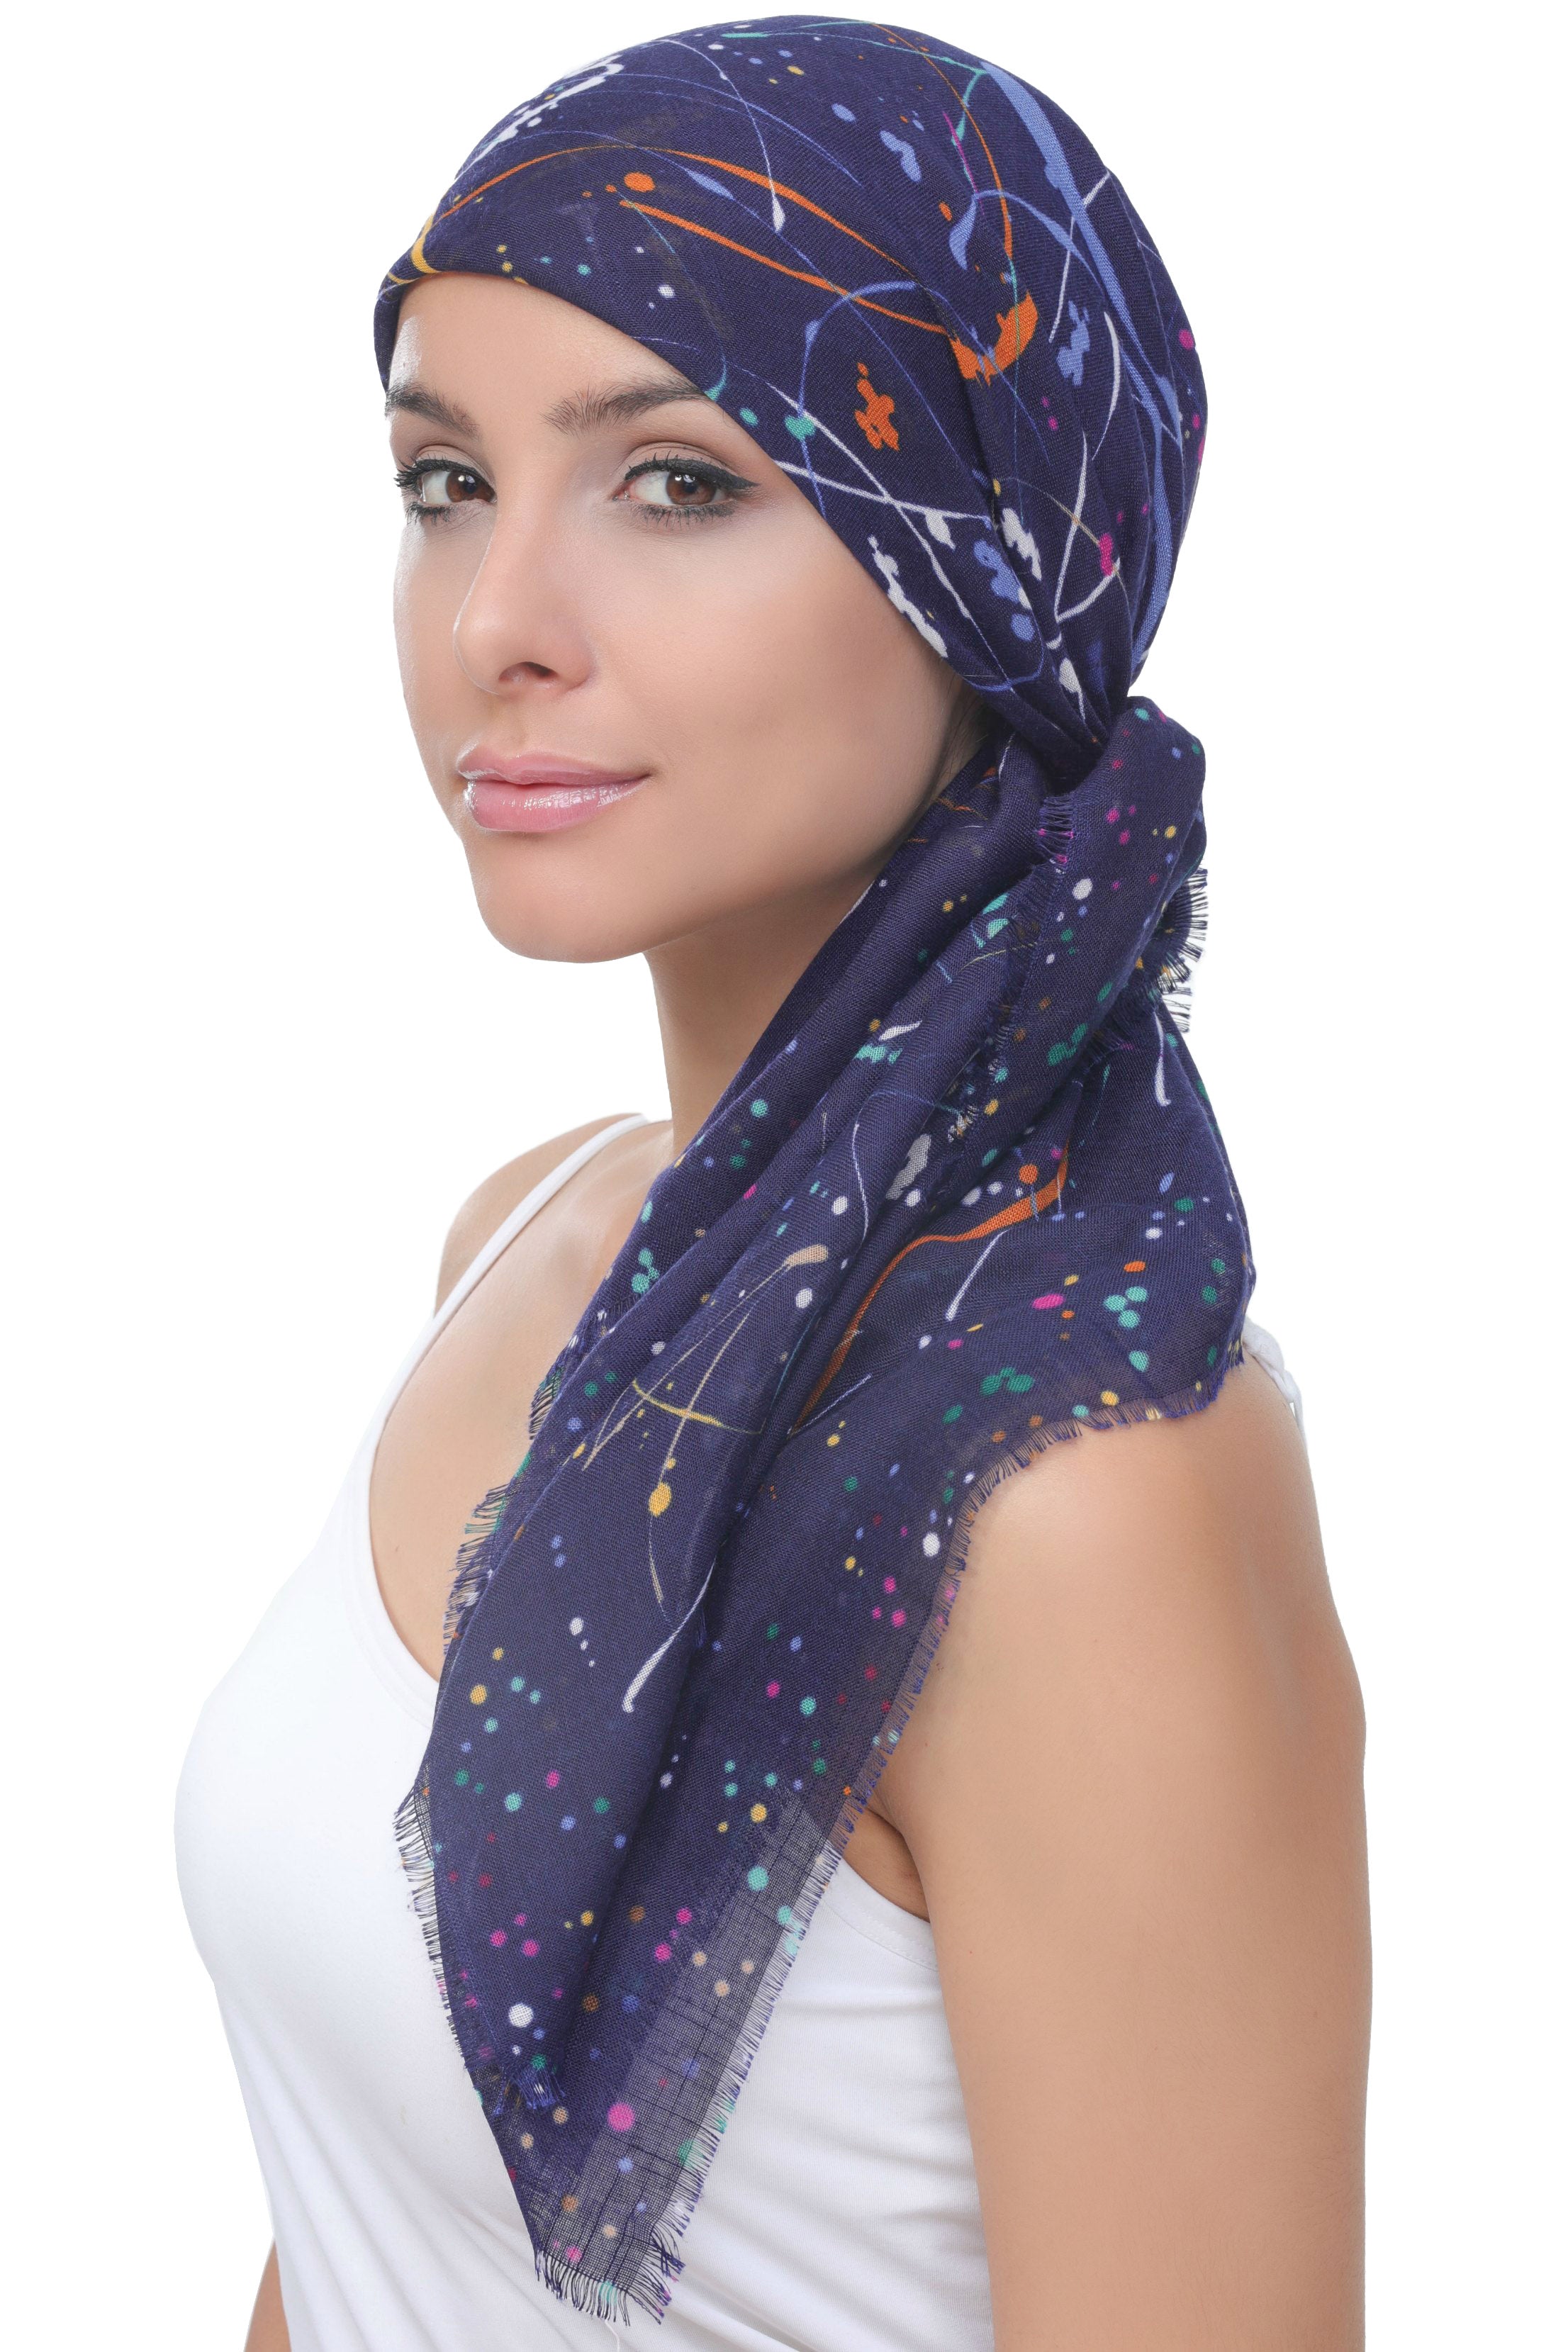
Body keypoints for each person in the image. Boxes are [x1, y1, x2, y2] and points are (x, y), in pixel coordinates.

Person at [177, 18, 1371, 2349]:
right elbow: (376, 2216)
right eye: (444, 481)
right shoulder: (528, 1240)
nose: (496, 621)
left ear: (980, 560)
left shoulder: (1070, 1481)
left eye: (676, 482)